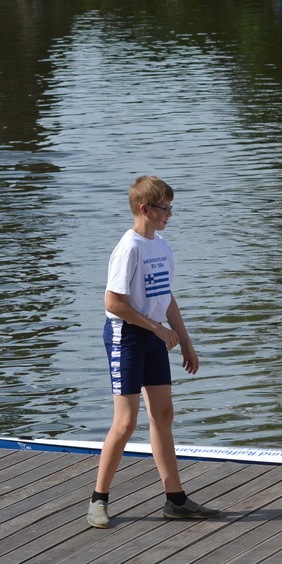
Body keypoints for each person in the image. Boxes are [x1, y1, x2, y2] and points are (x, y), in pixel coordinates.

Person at [87, 175, 219, 529]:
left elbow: (166, 296)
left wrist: (186, 342)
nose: (170, 215)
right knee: (126, 422)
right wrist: (158, 329)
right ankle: (99, 499)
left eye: (171, 208)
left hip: (154, 335)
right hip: (127, 337)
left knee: (163, 414)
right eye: (165, 209)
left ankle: (176, 500)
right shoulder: (129, 248)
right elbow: (113, 303)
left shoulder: (160, 245)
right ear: (145, 209)